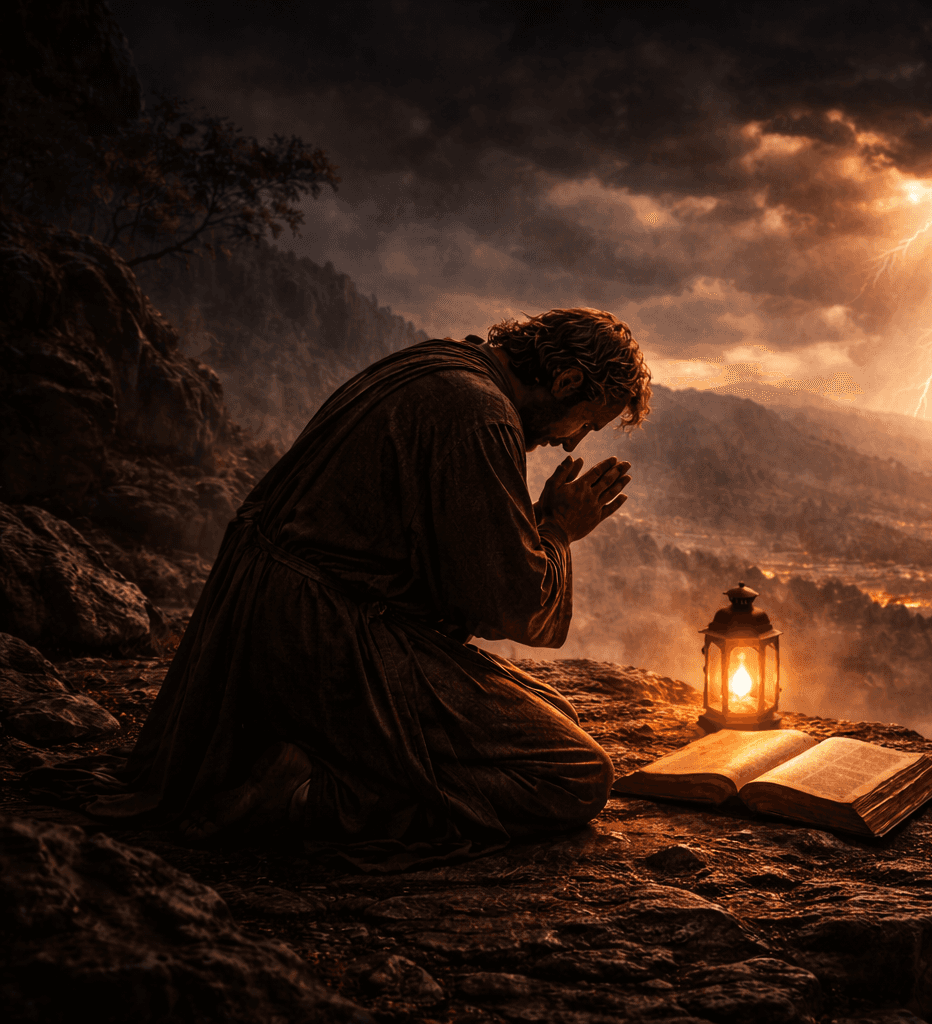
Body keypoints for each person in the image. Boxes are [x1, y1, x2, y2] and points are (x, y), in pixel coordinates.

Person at [87, 308, 650, 856]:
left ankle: (303, 760)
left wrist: (535, 522)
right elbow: (509, 601)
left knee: (556, 713)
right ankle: (312, 797)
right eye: (586, 423)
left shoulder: (437, 365)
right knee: (575, 772)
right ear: (568, 378)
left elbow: (446, 550)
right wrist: (557, 529)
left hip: (276, 614)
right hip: (325, 640)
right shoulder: (482, 414)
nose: (574, 444)